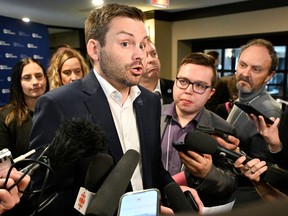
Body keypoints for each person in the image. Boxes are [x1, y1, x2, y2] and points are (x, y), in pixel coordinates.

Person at [29, 4, 202, 215]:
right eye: (126, 43)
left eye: (142, 45)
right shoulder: (58, 104)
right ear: (94, 49)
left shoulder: (150, 102)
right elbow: (44, 194)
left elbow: (152, 167)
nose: (140, 55)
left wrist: (174, 189)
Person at [161, 52, 237, 207]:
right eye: (183, 81)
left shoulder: (223, 129)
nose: (188, 90)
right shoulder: (151, 116)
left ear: (210, 93)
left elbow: (230, 185)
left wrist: (209, 173)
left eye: (200, 86)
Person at [226, 38, 282, 207]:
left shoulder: (268, 112)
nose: (245, 73)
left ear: (269, 76)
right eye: (243, 65)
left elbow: (260, 172)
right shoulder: (243, 99)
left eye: (256, 69)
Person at [0, 58, 49, 158]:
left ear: (46, 79)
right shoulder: (5, 117)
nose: (35, 82)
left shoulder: (56, 110)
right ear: (18, 83)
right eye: (27, 78)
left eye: (39, 76)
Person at [139, 39, 174, 104]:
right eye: (144, 56)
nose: (151, 60)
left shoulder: (175, 88)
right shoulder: (126, 94)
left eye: (153, 54)